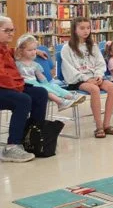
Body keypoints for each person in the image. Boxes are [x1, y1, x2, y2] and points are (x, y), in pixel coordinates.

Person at [61, 17, 113, 139]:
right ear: (74, 29)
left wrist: (99, 75)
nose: (86, 31)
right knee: (94, 89)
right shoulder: (67, 48)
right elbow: (69, 69)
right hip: (78, 80)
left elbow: (100, 63)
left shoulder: (92, 46)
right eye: (82, 28)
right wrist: (86, 79)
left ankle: (106, 125)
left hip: (94, 77)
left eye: (88, 28)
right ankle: (98, 127)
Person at [0, 17, 48, 163]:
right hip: (4, 87)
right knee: (23, 99)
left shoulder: (4, 47)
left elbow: (13, 52)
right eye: (6, 30)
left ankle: (30, 137)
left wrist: (34, 51)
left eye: (12, 30)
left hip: (10, 87)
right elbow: (2, 76)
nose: (11, 33)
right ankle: (12, 146)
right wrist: (18, 87)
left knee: (40, 93)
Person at [15, 33, 85, 111]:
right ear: (20, 51)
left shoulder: (35, 65)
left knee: (53, 86)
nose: (33, 52)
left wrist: (46, 83)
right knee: (45, 90)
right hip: (27, 85)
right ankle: (60, 102)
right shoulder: (17, 63)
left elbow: (40, 76)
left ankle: (71, 96)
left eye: (35, 49)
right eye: (30, 50)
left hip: (36, 84)